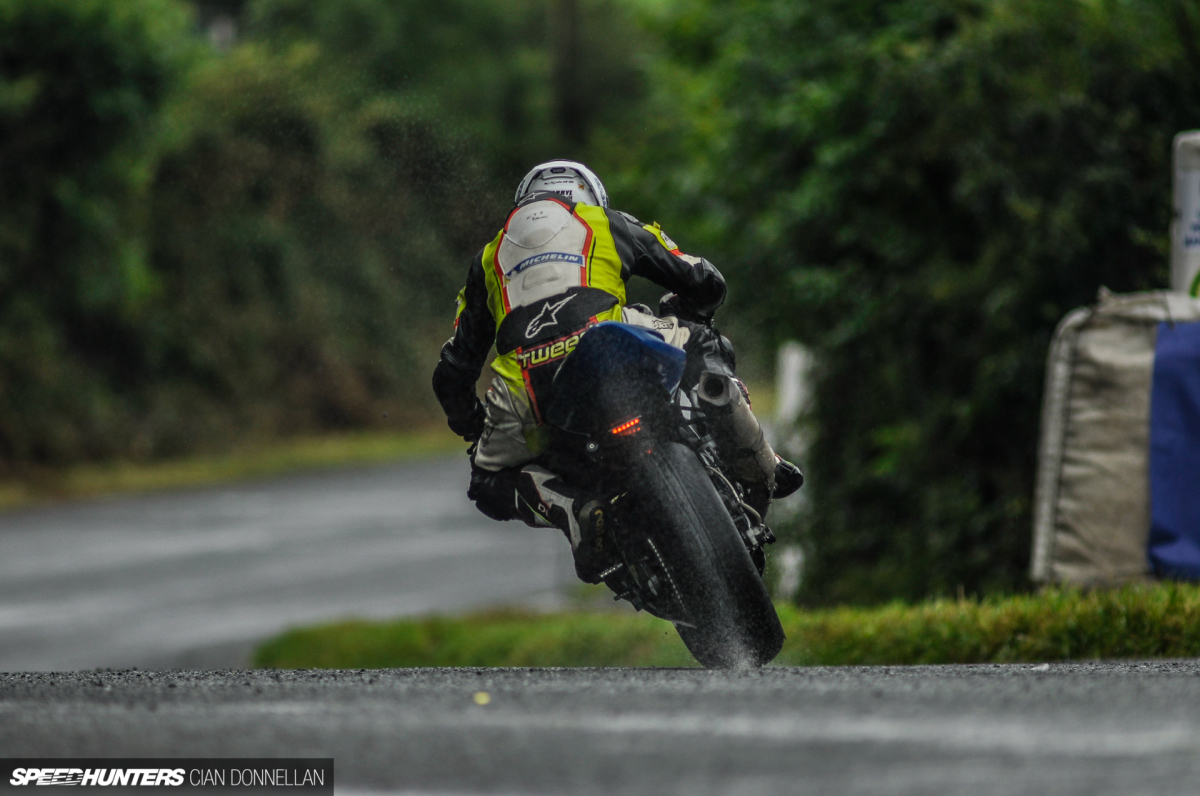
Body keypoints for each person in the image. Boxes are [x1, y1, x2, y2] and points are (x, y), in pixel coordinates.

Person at [432, 160, 802, 581]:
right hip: (610, 338)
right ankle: (763, 465)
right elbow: (704, 278)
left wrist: (471, 425)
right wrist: (690, 310)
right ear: (589, 195)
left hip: (527, 385)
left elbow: (453, 369)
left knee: (486, 482)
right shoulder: (606, 222)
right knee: (704, 344)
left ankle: (572, 511)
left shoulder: (488, 260)